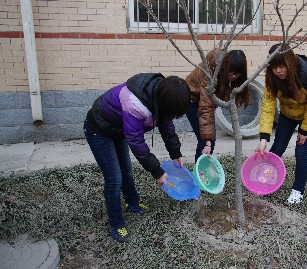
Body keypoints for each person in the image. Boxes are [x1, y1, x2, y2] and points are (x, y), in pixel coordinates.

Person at [83, 73, 191, 242]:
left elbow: (167, 126)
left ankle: (133, 202)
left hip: (118, 130)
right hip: (99, 129)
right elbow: (136, 142)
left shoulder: (162, 98)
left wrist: (176, 153)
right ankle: (116, 223)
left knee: (126, 170)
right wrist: (157, 171)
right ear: (165, 101)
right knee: (114, 178)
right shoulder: (135, 103)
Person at [255, 44, 307, 204]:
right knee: (276, 149)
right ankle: (264, 180)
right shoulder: (271, 79)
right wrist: (264, 137)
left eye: (282, 66)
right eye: (274, 67)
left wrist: (304, 131)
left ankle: (297, 191)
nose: (278, 71)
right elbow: (268, 106)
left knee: (301, 152)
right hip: (287, 115)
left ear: (290, 63)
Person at [185, 49, 250, 162]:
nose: (234, 76)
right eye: (232, 72)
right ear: (226, 66)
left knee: (209, 140)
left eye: (237, 74)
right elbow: (206, 107)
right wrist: (208, 142)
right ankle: (199, 172)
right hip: (192, 100)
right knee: (205, 140)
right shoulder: (211, 72)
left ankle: (202, 167)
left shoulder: (225, 71)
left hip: (205, 102)